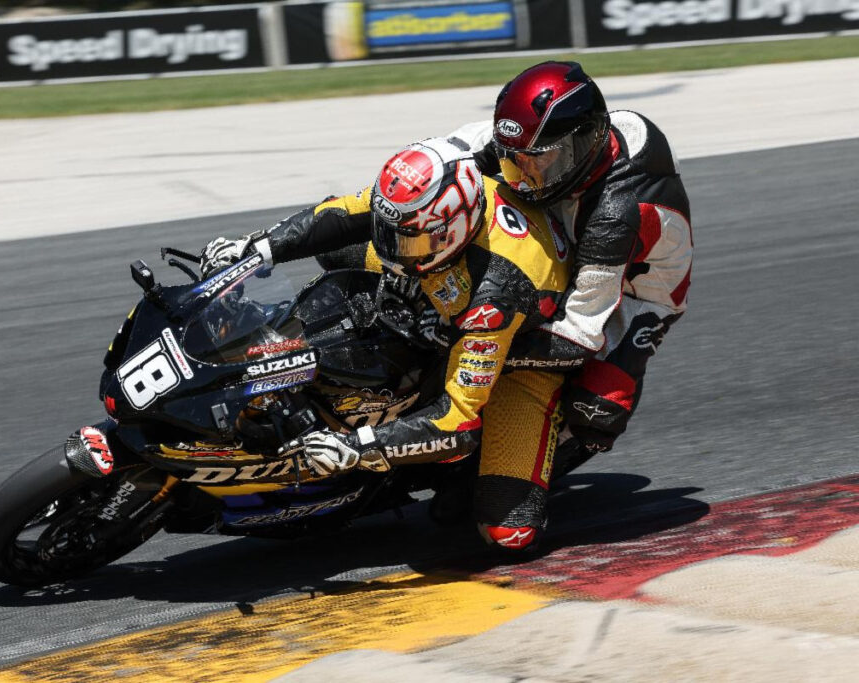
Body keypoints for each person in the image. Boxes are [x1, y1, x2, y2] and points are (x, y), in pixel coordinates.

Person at [201, 137, 570, 551]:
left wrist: (355, 448)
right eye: (390, 232)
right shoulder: (423, 208)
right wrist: (255, 249)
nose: (393, 251)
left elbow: (458, 421)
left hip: (521, 357)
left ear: (454, 228)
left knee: (507, 533)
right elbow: (342, 212)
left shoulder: (495, 292)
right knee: (338, 240)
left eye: (407, 242)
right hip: (446, 277)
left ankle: (521, 450)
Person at [446, 60, 693, 471]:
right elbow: (463, 151)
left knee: (596, 412)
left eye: (543, 161)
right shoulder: (554, 143)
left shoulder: (615, 215)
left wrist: (473, 347)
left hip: (635, 295)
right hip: (574, 234)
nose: (525, 176)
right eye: (517, 159)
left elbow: (579, 333)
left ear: (589, 142)